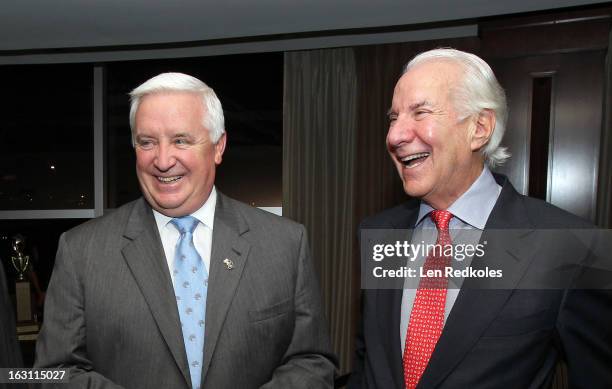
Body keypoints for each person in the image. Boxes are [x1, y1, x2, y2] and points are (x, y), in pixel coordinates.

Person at [35, 72, 336, 388]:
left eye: (181, 140)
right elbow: (51, 373)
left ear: (218, 147)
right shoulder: (81, 250)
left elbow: (312, 363)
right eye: (147, 142)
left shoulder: (284, 244)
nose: (163, 160)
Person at [348, 48, 611, 388]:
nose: (395, 136)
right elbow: (368, 365)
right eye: (393, 117)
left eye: (420, 112)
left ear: (479, 127)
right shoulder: (379, 233)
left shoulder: (574, 246)